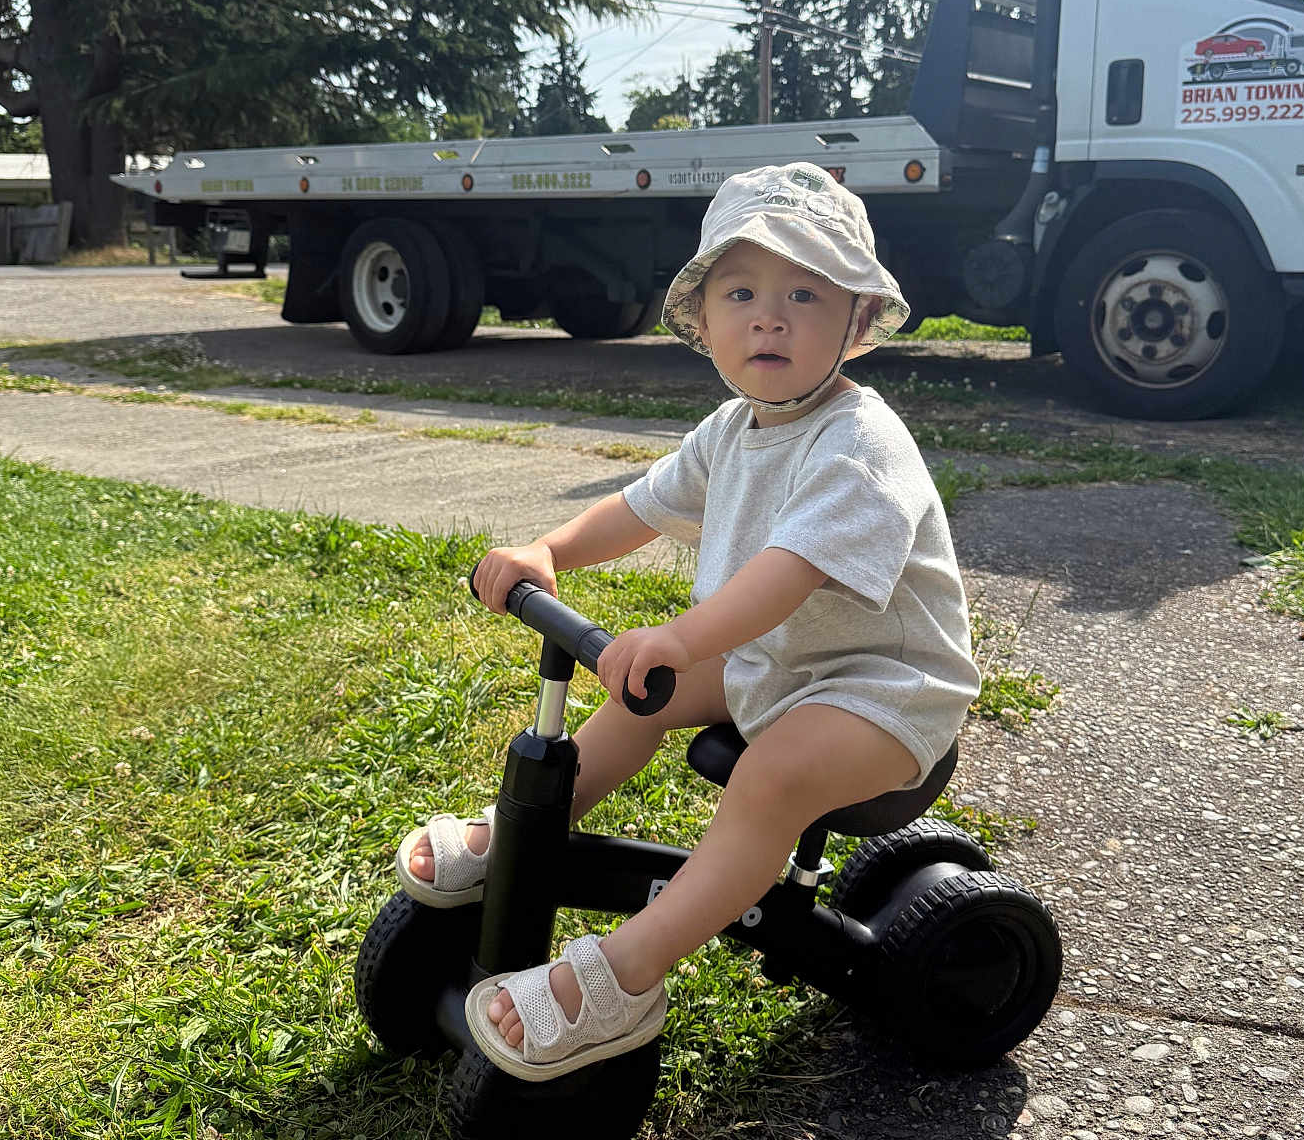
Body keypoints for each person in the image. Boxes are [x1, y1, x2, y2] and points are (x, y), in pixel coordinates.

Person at [395, 162, 978, 1081]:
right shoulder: (731, 429)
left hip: (884, 689)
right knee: (640, 695)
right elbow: (640, 507)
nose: (769, 317)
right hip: (781, 665)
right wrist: (551, 551)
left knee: (771, 775)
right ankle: (526, 837)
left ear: (857, 324)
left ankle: (627, 974)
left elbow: (788, 576)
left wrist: (685, 634)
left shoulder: (860, 445)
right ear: (703, 320)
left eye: (804, 295)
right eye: (740, 292)